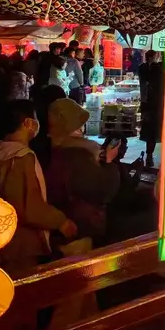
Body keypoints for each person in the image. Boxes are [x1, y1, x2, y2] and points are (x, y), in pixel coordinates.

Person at [0, 100, 77, 274]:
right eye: (36, 119)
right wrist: (60, 221)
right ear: (28, 123)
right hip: (20, 244)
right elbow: (28, 206)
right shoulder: (20, 157)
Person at [45, 98, 120, 245]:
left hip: (66, 217)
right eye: (80, 124)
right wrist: (110, 161)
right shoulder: (79, 154)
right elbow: (104, 189)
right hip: (82, 224)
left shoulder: (51, 149)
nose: (82, 128)